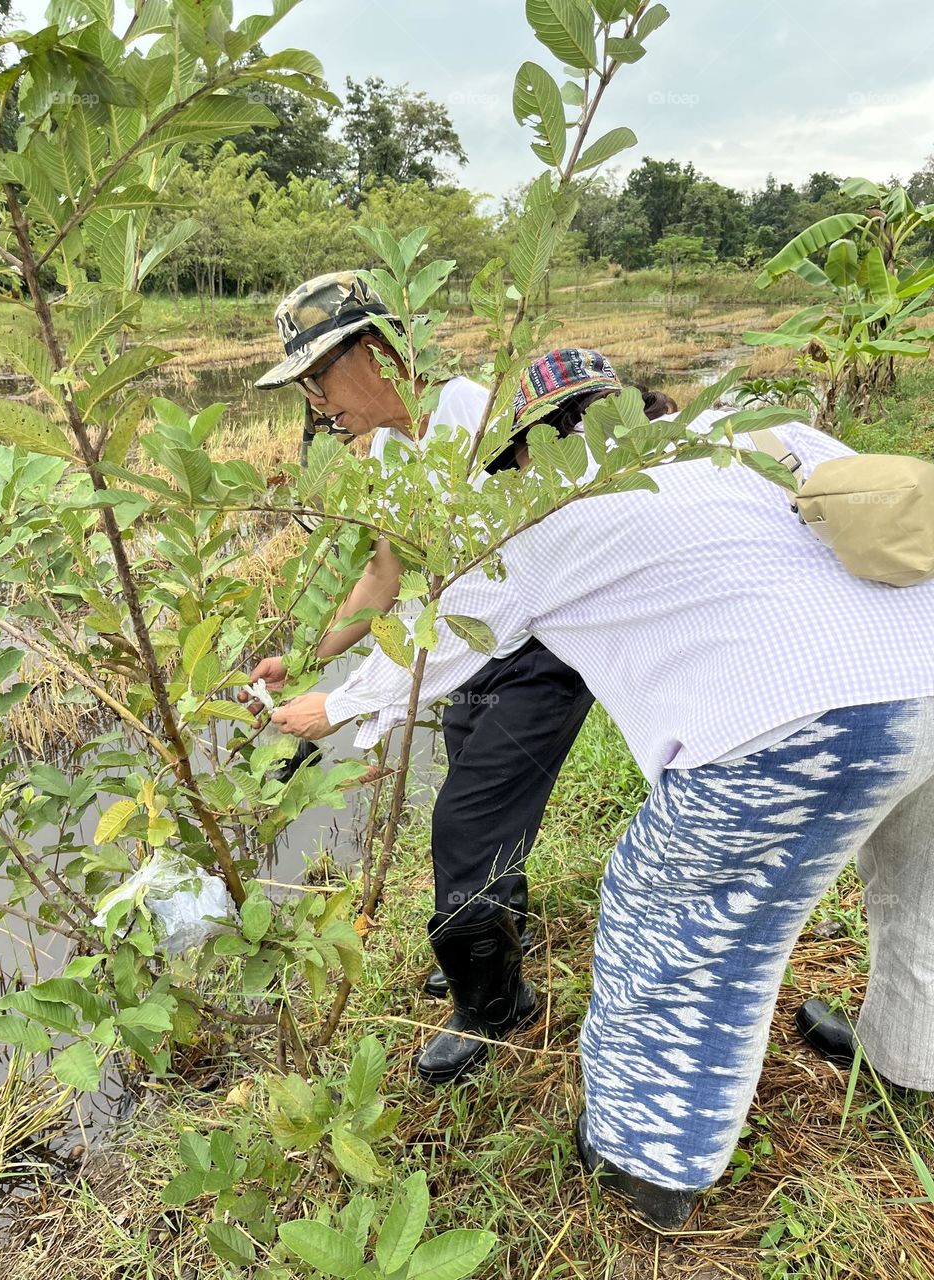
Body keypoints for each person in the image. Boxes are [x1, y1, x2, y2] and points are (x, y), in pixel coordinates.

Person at [271, 354, 934, 1229]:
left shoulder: (547, 512)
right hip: (923, 669)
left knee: (674, 919)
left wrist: (332, 704)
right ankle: (910, 1059)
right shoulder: (741, 437)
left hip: (799, 725)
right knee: (920, 887)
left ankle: (648, 1157)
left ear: (525, 445)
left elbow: (444, 641)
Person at [246, 276, 599, 1084]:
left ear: (373, 354)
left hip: (542, 648)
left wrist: (339, 704)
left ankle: (497, 1009)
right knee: (482, 796)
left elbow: (485, 595)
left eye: (316, 377)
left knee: (465, 825)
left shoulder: (481, 424)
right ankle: (495, 943)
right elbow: (385, 575)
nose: (313, 402)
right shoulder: (400, 447)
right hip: (479, 649)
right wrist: (304, 659)